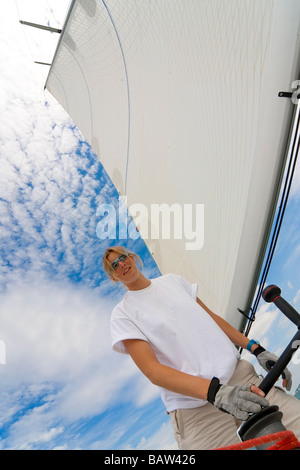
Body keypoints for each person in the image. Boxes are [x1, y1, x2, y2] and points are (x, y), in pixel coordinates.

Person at [103, 246, 300, 450]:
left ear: (132, 258)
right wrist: (215, 392)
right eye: (114, 266)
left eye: (123, 258)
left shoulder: (173, 282)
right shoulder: (122, 315)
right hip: (196, 411)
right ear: (114, 277)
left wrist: (256, 349)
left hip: (242, 379)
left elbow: (213, 319)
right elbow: (153, 371)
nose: (122, 265)